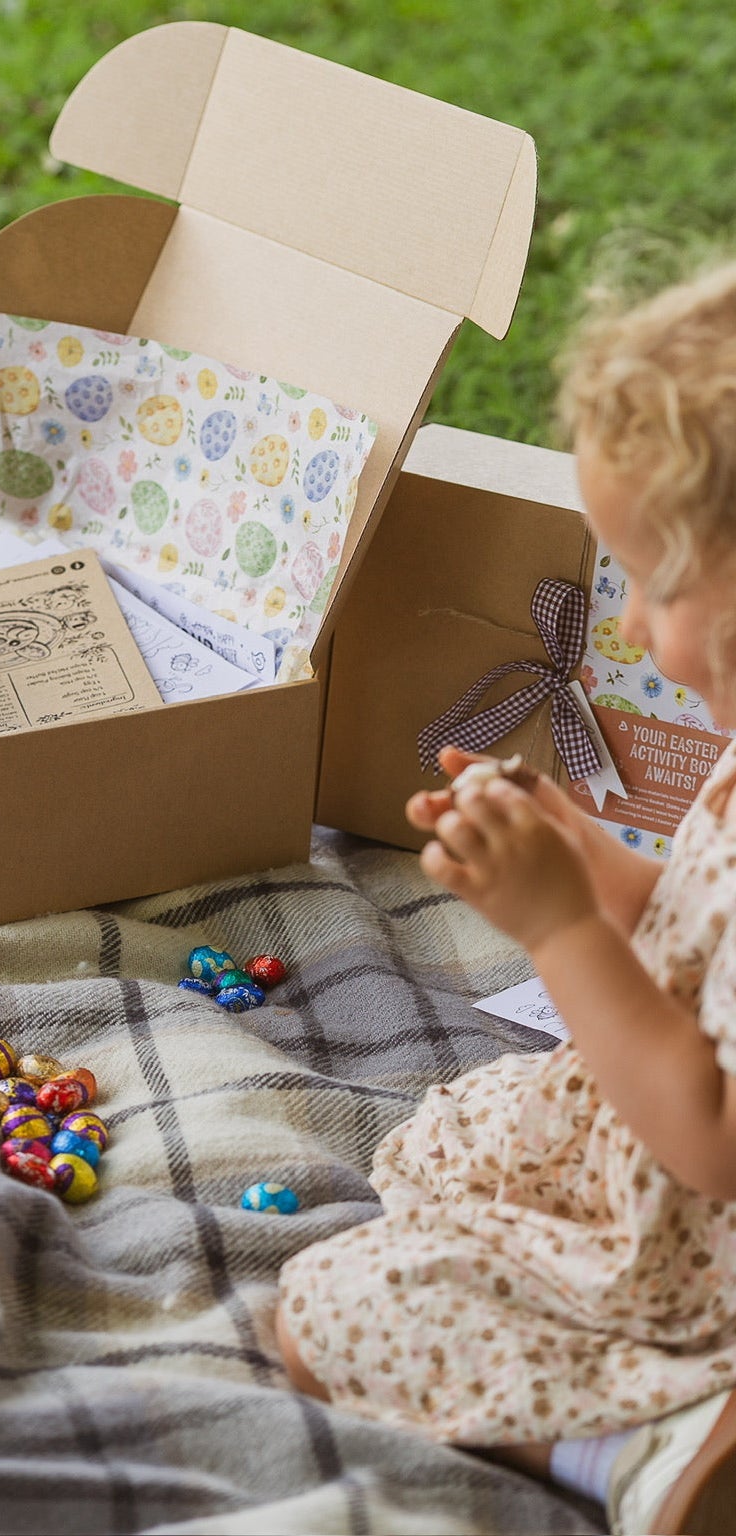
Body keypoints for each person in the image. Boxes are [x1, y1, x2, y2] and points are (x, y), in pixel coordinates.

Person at [273, 260, 736, 1535]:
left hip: (696, 1241)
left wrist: (560, 929)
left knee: (319, 1325)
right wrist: (587, 860)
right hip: (652, 1169)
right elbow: (700, 923)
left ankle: (652, 1444)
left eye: (658, 584)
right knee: (446, 1140)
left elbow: (709, 1130)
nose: (628, 629)